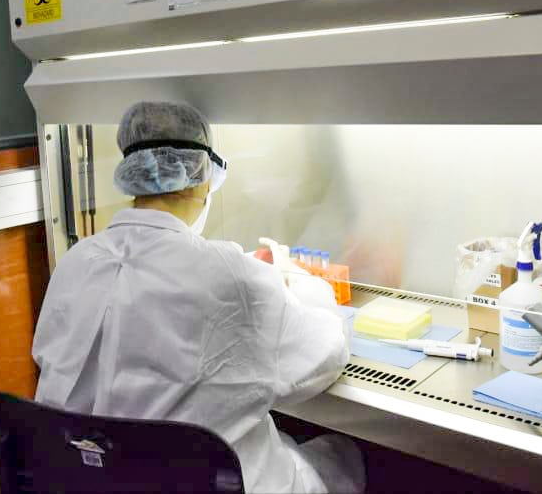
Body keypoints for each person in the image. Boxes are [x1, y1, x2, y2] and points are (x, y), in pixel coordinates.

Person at [32, 101, 364, 493]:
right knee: (345, 457)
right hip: (211, 481)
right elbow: (323, 357)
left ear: (131, 173)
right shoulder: (229, 275)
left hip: (95, 480)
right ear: (202, 177)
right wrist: (302, 285)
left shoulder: (75, 262)